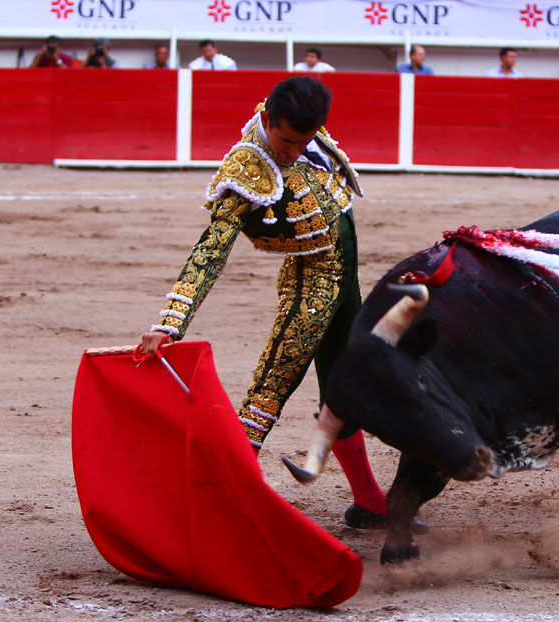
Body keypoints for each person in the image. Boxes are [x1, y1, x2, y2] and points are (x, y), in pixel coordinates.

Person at [139, 76, 390, 529]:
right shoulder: (246, 169)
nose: (294, 151)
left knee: (345, 391)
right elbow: (210, 250)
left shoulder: (303, 127)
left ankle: (370, 504)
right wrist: (171, 322)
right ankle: (207, 507)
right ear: (268, 121)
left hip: (345, 285)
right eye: (287, 141)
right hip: (309, 289)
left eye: (305, 141)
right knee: (267, 396)